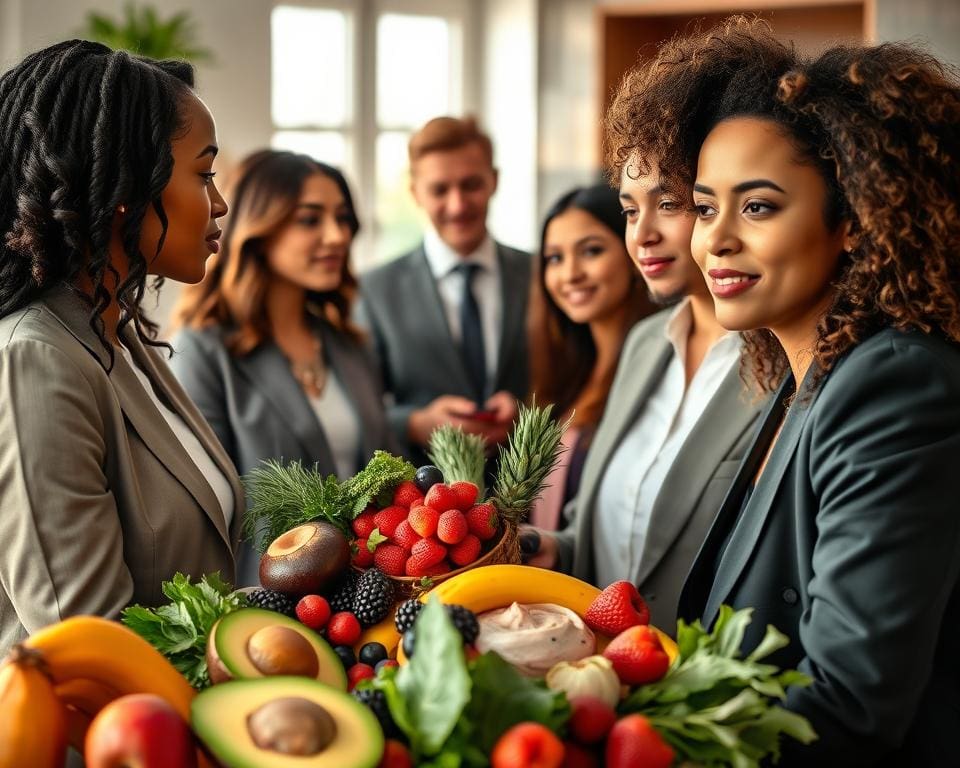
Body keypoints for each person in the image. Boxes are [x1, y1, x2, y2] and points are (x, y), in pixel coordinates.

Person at [624, 17, 960, 764]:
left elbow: (848, 705)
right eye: (706, 207)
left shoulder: (893, 384)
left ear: (852, 219)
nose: (714, 241)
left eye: (759, 206)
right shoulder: (794, 377)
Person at [0, 40, 243, 654]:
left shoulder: (118, 330)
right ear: (129, 187)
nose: (218, 204)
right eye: (204, 173)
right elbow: (90, 646)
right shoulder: (36, 359)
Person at [524, 148, 766, 630]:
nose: (642, 235)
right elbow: (609, 531)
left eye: (670, 203)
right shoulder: (645, 343)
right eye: (631, 211)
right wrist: (556, 548)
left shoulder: (777, 362)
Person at [169, 150, 395, 586]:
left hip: (367, 596)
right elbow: (201, 510)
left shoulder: (350, 345)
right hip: (266, 604)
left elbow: (382, 469)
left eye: (343, 218)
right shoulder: (203, 350)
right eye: (310, 220)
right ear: (259, 228)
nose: (337, 236)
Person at [357, 116, 530, 465]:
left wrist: (528, 413)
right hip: (423, 505)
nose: (457, 205)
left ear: (494, 181)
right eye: (439, 190)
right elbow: (358, 410)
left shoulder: (540, 274)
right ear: (415, 192)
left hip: (536, 495)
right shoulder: (375, 290)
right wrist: (416, 424)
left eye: (471, 185)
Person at [526, 184, 654, 530]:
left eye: (591, 251)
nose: (570, 274)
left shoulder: (658, 371)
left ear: (633, 253)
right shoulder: (568, 372)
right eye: (555, 258)